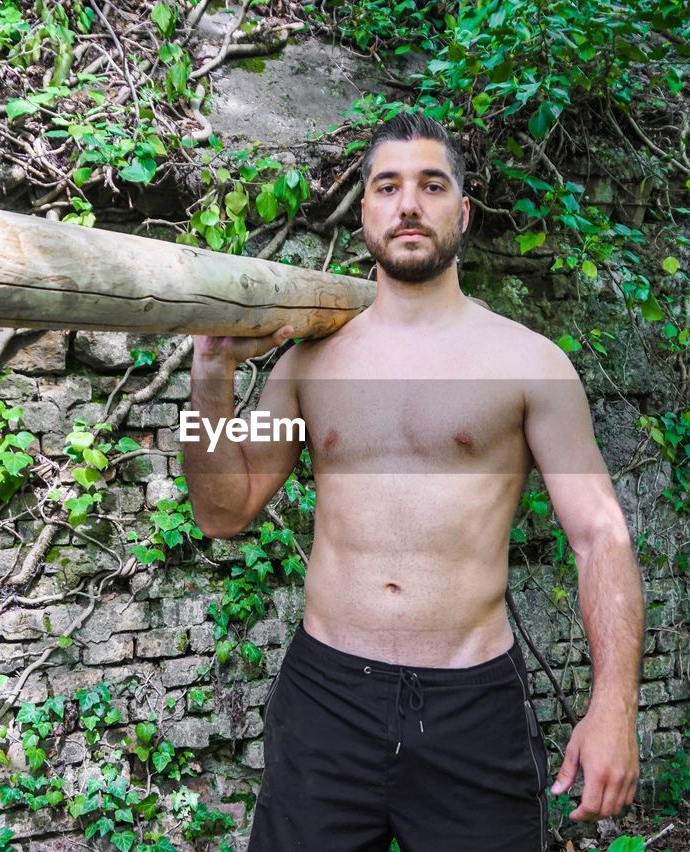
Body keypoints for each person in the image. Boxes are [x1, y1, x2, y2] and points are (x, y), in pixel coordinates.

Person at [183, 112, 644, 851]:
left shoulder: (528, 363)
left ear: (461, 212)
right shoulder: (307, 365)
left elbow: (600, 535)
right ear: (363, 209)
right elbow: (223, 509)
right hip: (326, 700)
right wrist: (210, 377)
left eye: (431, 186)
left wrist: (615, 706)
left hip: (472, 707)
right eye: (387, 186)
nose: (408, 205)